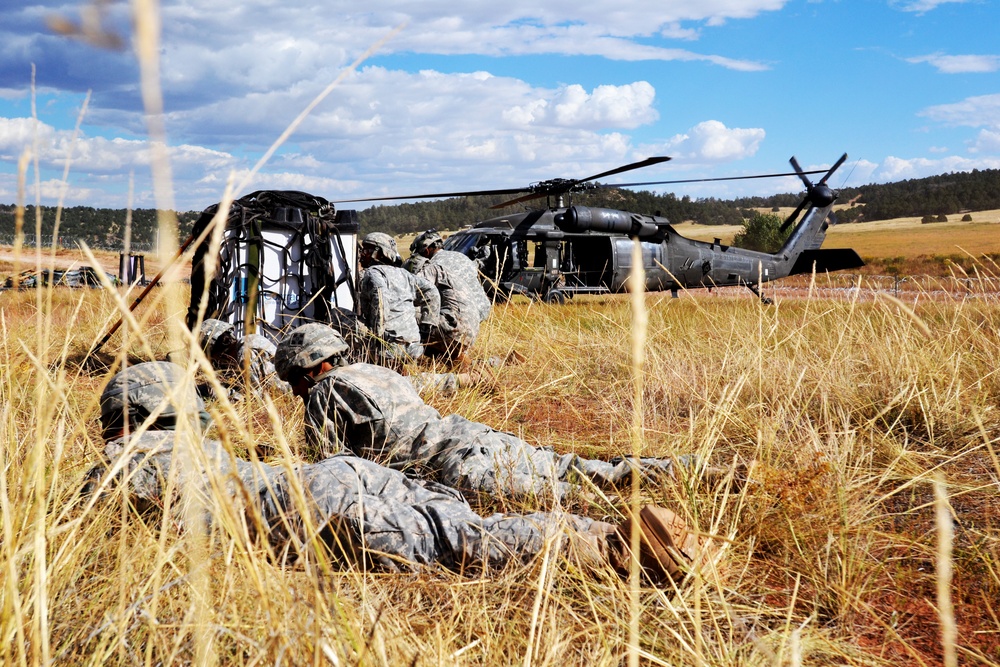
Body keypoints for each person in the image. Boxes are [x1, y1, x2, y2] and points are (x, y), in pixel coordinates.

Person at [86, 361, 704, 583]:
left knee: (449, 544)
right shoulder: (197, 450)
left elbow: (107, 526)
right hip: (331, 477)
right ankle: (614, 515)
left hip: (301, 506)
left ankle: (598, 545)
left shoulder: (118, 466)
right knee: (459, 516)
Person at [274, 323, 704, 501]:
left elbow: (329, 471)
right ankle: (682, 468)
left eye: (293, 380)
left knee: (570, 498)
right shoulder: (373, 369)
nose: (294, 392)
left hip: (451, 465)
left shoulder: (324, 393)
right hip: (474, 435)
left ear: (309, 366)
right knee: (577, 469)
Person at [357, 232, 440, 365]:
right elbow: (432, 291)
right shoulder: (404, 273)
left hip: (389, 349)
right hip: (414, 348)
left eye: (366, 250)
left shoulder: (373, 273)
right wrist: (426, 329)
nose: (362, 254)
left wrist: (378, 340)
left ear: (378, 253)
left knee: (339, 316)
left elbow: (380, 300)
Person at [411, 229, 492, 360]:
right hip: (480, 311)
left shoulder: (433, 265)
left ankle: (455, 358)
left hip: (459, 318)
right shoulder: (461, 256)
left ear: (426, 251)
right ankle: (460, 355)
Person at [198, 318, 289, 397]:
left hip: (286, 394)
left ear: (219, 354)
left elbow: (255, 399)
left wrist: (219, 392)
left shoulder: (245, 356)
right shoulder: (249, 339)